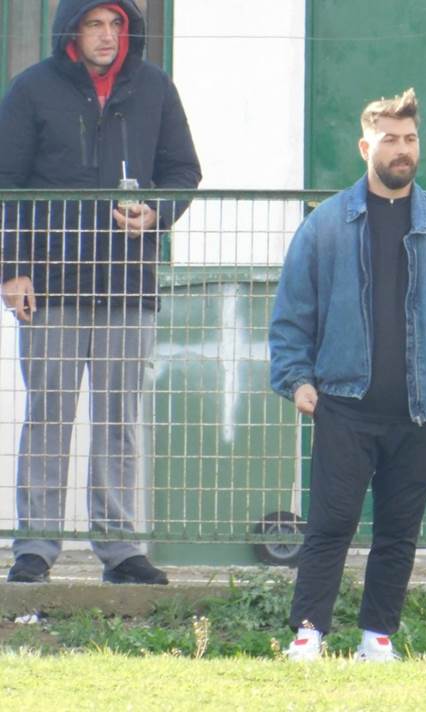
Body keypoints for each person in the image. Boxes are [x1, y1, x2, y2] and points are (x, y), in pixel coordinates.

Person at [269, 88, 426, 662]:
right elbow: (292, 311)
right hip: (344, 404)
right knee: (331, 525)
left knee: (398, 531)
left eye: (410, 139)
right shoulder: (326, 225)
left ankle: (377, 637)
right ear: (365, 147)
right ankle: (309, 633)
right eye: (390, 139)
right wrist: (297, 381)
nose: (402, 149)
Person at [0, 0, 201, 584]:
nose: (108, 35)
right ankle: (35, 548)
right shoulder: (31, 89)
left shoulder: (155, 88)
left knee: (119, 421)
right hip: (51, 286)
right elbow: (6, 184)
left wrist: (156, 214)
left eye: (117, 23)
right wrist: (11, 269)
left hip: (127, 284)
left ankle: (120, 550)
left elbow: (183, 172)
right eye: (95, 24)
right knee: (49, 417)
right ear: (73, 31)